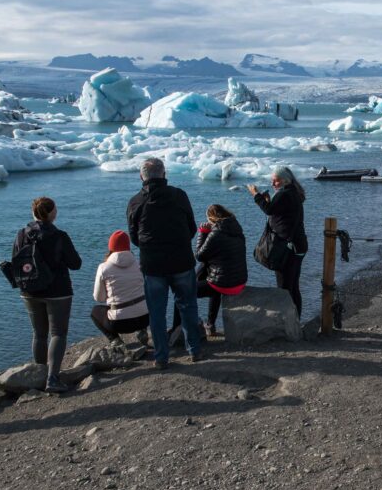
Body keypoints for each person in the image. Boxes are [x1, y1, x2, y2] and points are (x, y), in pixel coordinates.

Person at [127, 158, 201, 369]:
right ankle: (194, 350)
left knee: (157, 312)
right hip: (181, 261)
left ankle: (161, 357)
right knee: (188, 305)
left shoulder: (135, 202)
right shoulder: (179, 196)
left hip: (153, 266)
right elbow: (192, 227)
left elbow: (134, 236)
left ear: (142, 177)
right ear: (164, 173)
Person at [13, 197, 82, 392]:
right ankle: (52, 378)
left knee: (39, 334)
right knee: (58, 333)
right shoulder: (59, 236)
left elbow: (15, 260)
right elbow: (75, 264)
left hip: (29, 290)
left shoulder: (21, 234)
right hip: (57, 291)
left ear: (34, 213)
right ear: (52, 213)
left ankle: (39, 375)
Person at [249, 166, 308, 317]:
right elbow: (277, 211)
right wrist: (269, 201)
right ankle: (296, 320)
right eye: (272, 180)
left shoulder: (285, 194)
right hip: (298, 245)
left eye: (275, 181)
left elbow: (268, 210)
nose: (272, 183)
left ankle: (288, 323)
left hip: (288, 248)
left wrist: (256, 195)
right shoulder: (292, 192)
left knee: (284, 287)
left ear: (284, 180)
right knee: (293, 286)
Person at [185, 204, 248, 336]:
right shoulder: (237, 228)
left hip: (224, 284)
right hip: (239, 282)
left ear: (212, 218)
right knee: (213, 281)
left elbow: (199, 256)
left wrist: (202, 233)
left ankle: (181, 329)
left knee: (184, 292)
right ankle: (210, 324)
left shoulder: (217, 233)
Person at [90, 230, 150, 344]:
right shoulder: (138, 264)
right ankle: (142, 332)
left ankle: (115, 340)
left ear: (111, 247)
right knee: (140, 300)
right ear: (128, 246)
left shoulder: (104, 268)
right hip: (144, 318)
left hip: (119, 323)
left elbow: (99, 298)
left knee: (95, 312)